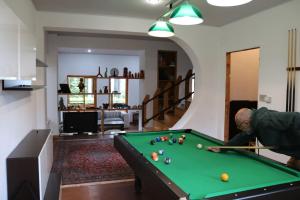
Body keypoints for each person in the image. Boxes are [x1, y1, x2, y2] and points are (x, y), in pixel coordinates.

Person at [208, 107, 300, 170]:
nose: (240, 129)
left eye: (239, 126)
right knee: (292, 168)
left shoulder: (265, 119)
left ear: (246, 123)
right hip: (296, 152)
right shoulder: (255, 125)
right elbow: (242, 137)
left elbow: (296, 118)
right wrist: (223, 148)